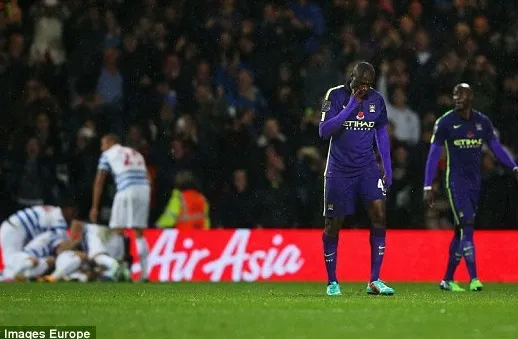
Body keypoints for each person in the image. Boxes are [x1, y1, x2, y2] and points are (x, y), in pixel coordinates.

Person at [424, 83, 518, 292]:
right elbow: (433, 155)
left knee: (460, 231)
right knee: (467, 224)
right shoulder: (445, 122)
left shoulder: (482, 122)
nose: (457, 97)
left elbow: (496, 148)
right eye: (455, 94)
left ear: (470, 97)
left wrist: (513, 167)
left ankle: (447, 280)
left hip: (475, 183)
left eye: (462, 94)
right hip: (456, 182)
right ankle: (474, 278)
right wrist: (427, 185)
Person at [319, 61, 393, 296]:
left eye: (368, 85)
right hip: (339, 169)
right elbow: (324, 130)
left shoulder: (377, 100)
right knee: (333, 224)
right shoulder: (335, 95)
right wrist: (352, 105)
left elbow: (380, 132)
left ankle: (374, 279)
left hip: (367, 168)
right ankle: (332, 281)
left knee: (380, 216)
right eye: (360, 83)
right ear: (350, 78)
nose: (364, 89)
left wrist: (387, 167)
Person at [89, 134, 150, 282]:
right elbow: (147, 176)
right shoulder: (136, 153)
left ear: (110, 142)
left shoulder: (108, 154)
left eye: (103, 144)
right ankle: (144, 275)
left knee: (117, 229)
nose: (101, 147)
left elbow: (99, 182)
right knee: (139, 232)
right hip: (144, 189)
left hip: (126, 189)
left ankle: (116, 271)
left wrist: (95, 207)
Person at [0, 203, 76, 280]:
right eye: (73, 210)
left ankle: (15, 275)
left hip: (16, 228)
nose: (74, 214)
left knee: (22, 262)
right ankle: (6, 277)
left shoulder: (55, 211)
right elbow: (61, 247)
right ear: (67, 209)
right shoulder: (59, 220)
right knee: (10, 261)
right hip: (14, 230)